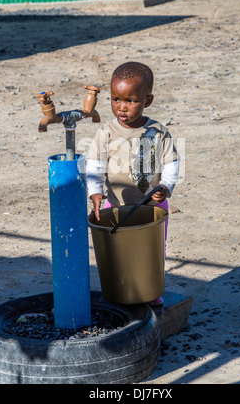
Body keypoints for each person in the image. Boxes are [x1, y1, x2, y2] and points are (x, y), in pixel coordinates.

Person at [85, 62, 180, 305]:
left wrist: (166, 186)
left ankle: (150, 292)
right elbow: (95, 166)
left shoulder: (157, 131)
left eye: (130, 100)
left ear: (148, 100)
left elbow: (171, 163)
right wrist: (95, 193)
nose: (122, 107)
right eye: (115, 99)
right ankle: (121, 292)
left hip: (153, 207)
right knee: (118, 253)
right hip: (114, 206)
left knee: (151, 252)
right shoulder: (106, 132)